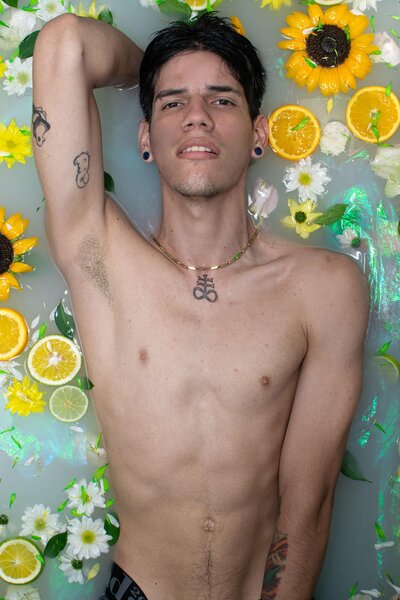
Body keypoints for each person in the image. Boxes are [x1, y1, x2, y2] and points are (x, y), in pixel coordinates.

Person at [31, 11, 370, 600]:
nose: (196, 116)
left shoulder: (323, 288)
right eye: (172, 104)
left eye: (221, 100)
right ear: (145, 138)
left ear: (259, 133)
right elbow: (65, 43)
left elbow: (309, 500)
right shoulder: (100, 260)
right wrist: (156, 68)